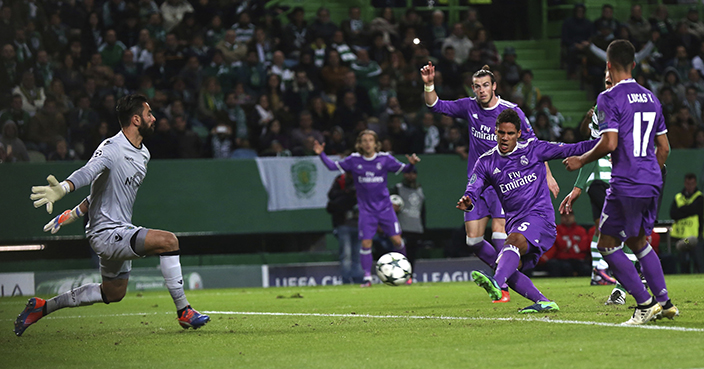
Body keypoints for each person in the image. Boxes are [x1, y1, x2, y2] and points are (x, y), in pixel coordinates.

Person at [15, 95, 209, 337]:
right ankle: (184, 311)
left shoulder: (144, 155)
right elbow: (88, 173)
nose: (154, 118)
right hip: (107, 233)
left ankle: (42, 308)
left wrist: (73, 214)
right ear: (136, 119)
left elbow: (102, 190)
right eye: (149, 114)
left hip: (118, 230)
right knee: (169, 242)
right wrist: (63, 188)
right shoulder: (112, 147)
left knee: (113, 292)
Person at [421, 61, 560, 303]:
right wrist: (429, 84)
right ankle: (505, 275)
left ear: (494, 86)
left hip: (504, 183)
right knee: (473, 240)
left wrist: (547, 174)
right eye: (477, 86)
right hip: (478, 184)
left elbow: (535, 144)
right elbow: (435, 105)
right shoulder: (469, 106)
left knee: (500, 233)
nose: (481, 90)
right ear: (473, 88)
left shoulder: (511, 112)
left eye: (486, 85)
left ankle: (501, 282)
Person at [563, 39, 677, 325]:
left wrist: (581, 160)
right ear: (635, 65)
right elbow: (664, 149)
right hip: (652, 180)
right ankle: (665, 302)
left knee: (606, 244)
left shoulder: (608, 97)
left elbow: (609, 142)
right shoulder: (652, 98)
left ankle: (644, 303)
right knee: (640, 241)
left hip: (626, 181)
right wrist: (650, 172)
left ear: (609, 66)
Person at [458, 108, 598, 313]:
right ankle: (543, 301)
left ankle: (496, 284)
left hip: (540, 218)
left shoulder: (534, 149)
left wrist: (606, 143)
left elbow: (572, 148)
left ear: (519, 134)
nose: (505, 138)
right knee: (508, 265)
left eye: (510, 134)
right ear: (495, 132)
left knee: (511, 245)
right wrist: (469, 201)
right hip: (516, 223)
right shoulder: (486, 162)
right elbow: (474, 187)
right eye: (501, 133)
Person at [314, 130, 420, 287]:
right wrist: (321, 154)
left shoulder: (385, 159)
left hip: (385, 208)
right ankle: (367, 278)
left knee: (397, 240)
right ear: (360, 144)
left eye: (371, 140)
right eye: (364, 140)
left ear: (376, 143)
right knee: (366, 244)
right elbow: (331, 166)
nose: (368, 143)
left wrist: (411, 164)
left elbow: (405, 170)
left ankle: (406, 274)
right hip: (366, 211)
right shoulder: (354, 160)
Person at [326, 172, 364, 284]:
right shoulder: (340, 180)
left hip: (359, 224)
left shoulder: (361, 179)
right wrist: (347, 192)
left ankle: (358, 279)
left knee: (358, 254)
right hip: (344, 223)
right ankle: (346, 279)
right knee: (346, 255)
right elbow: (331, 195)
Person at [390, 167, 425, 273]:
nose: (410, 176)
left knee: (412, 256)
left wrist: (423, 227)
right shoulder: (397, 188)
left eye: (413, 173)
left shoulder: (419, 190)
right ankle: (397, 275)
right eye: (408, 173)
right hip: (402, 228)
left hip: (416, 228)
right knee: (399, 256)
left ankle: (409, 277)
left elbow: (422, 211)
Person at [669, 173, 703, 274]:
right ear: (685, 183)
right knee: (682, 262)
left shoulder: (699, 197)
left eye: (692, 184)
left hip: (696, 236)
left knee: (699, 262)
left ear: (695, 183)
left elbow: (697, 209)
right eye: (688, 184)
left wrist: (682, 210)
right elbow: (673, 214)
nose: (690, 186)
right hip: (681, 237)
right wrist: (690, 210)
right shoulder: (678, 197)